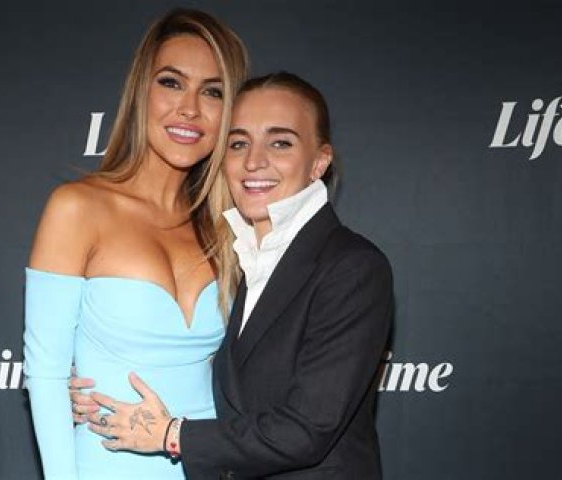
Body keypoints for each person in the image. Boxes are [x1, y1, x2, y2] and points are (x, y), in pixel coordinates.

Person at [79, 72, 393, 479]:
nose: (253, 161)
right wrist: (96, 384)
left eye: (280, 143)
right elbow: (228, 386)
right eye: (238, 143)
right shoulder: (238, 260)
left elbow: (306, 430)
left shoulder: (353, 267)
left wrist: (172, 435)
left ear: (319, 162)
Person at [23, 9, 248, 479]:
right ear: (140, 91)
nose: (190, 109)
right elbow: (46, 376)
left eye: (212, 91)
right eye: (171, 83)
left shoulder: (231, 228)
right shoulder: (77, 208)